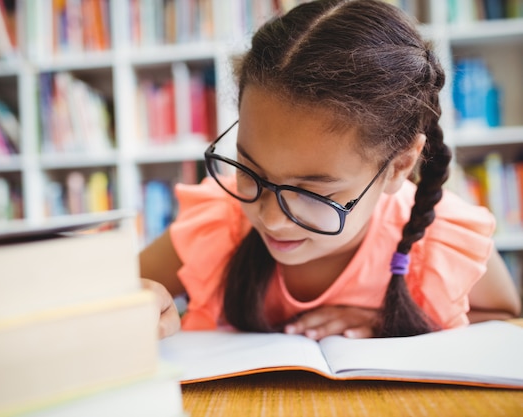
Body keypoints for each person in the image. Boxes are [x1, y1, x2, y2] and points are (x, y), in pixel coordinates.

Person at [140, 0, 521, 340]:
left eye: (314, 192)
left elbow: (504, 318)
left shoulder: (438, 241)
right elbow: (117, 290)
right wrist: (146, 306)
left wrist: (384, 322)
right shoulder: (219, 222)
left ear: (399, 166)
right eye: (248, 170)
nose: (272, 219)